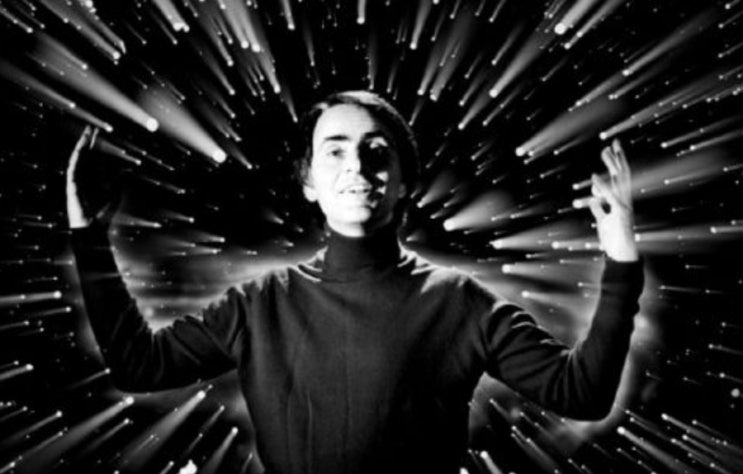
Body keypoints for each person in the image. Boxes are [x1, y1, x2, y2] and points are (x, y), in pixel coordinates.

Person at [67, 90, 643, 474]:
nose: (357, 167)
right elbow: (139, 366)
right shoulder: (259, 303)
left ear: (404, 181)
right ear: (309, 183)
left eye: (376, 152)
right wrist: (89, 240)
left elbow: (581, 394)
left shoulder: (459, 301)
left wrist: (620, 259)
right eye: (335, 151)